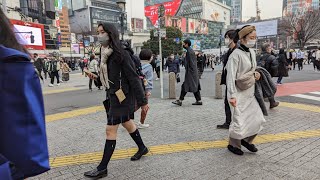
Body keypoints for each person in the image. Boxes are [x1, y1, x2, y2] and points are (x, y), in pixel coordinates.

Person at [83, 23, 149, 179]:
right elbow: (110, 78)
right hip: (113, 95)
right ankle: (142, 148)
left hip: (122, 98)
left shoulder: (121, 53)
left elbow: (133, 78)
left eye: (102, 32)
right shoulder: (105, 53)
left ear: (110, 33)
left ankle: (102, 168)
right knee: (127, 123)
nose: (99, 35)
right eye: (98, 32)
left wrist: (143, 101)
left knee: (110, 130)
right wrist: (96, 78)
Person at [0, 8, 49, 179]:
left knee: (112, 128)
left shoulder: (13, 65)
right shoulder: (15, 63)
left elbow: (26, 149)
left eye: (103, 32)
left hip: (119, 95)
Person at [226, 25, 266, 156]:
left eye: (255, 38)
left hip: (250, 92)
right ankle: (233, 145)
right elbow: (230, 76)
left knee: (258, 119)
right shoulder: (235, 55)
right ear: (242, 38)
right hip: (237, 93)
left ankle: (246, 140)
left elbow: (253, 69)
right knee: (238, 120)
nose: (253, 40)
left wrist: (256, 74)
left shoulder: (252, 52)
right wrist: (232, 95)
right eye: (251, 38)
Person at [217, 29, 237, 129]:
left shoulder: (237, 51)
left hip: (234, 82)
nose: (225, 40)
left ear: (232, 39)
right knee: (227, 102)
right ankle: (228, 122)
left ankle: (233, 123)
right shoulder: (230, 50)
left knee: (232, 102)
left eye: (227, 38)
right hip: (229, 81)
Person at [172, 39, 202, 106]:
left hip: (191, 72)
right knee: (195, 85)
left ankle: (180, 100)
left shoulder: (189, 51)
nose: (183, 45)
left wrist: (190, 71)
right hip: (193, 72)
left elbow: (191, 63)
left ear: (186, 44)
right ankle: (199, 100)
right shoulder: (190, 50)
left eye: (184, 43)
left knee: (185, 85)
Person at [135, 49, 154, 129]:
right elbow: (148, 80)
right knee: (144, 107)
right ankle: (141, 123)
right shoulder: (149, 66)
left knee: (137, 104)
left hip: (136, 88)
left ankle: (125, 118)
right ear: (149, 57)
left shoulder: (136, 64)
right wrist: (148, 91)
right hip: (143, 89)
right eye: (152, 56)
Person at [257, 43, 279, 108]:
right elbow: (274, 67)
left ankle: (272, 102)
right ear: (267, 49)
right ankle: (272, 103)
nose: (271, 49)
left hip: (258, 74)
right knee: (269, 88)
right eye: (270, 48)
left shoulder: (257, 56)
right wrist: (273, 75)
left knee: (259, 88)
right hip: (267, 75)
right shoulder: (271, 57)